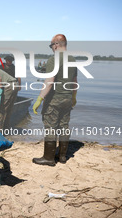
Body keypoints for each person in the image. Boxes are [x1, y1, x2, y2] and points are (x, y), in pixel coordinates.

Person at [32, 34, 77, 166]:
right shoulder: (73, 59)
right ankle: (62, 156)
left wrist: (40, 98)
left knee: (50, 128)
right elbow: (75, 82)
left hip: (55, 100)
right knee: (64, 126)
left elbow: (49, 82)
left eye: (51, 45)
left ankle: (49, 158)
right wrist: (73, 97)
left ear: (56, 44)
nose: (51, 48)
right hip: (67, 99)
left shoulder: (54, 59)